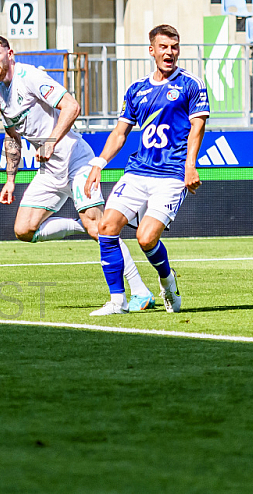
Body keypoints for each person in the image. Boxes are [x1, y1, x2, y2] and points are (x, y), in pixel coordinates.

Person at [0, 35, 155, 312]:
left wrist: (50, 141)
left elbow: (71, 106)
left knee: (101, 231)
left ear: (9, 54)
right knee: (23, 230)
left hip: (76, 160)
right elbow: (12, 136)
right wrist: (10, 179)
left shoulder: (31, 76)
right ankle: (79, 224)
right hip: (48, 169)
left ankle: (140, 290)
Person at [84, 24, 209, 315]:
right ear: (151, 50)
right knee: (106, 228)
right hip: (138, 171)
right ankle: (118, 302)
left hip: (172, 173)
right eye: (164, 47)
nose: (170, 52)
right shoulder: (137, 90)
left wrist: (190, 166)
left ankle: (167, 281)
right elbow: (120, 133)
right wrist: (98, 164)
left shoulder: (191, 84)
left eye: (174, 47)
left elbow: (197, 127)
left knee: (146, 237)